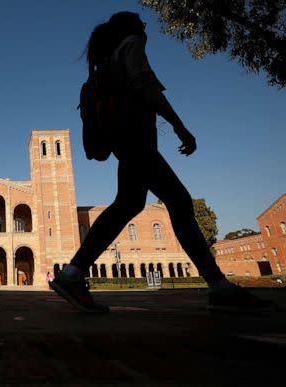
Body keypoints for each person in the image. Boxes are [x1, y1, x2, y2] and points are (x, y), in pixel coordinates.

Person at [50, 12, 276, 313]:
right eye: (139, 21)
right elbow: (145, 85)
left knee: (128, 205)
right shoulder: (130, 45)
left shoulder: (103, 66)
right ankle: (220, 288)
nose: (145, 25)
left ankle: (73, 273)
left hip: (124, 143)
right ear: (127, 28)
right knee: (178, 202)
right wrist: (179, 125)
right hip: (137, 142)